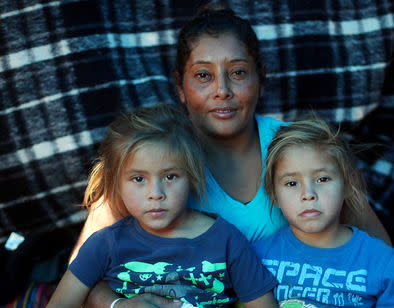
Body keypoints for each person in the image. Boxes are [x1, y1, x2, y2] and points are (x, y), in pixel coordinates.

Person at [72, 6, 392, 308]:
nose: (222, 90)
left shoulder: (301, 149)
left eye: (238, 72)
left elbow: (382, 254)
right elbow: (80, 275)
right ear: (180, 87)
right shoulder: (154, 157)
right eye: (203, 75)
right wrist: (116, 304)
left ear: (261, 79)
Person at [48, 104, 278, 308]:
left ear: (192, 176)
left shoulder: (227, 241)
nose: (155, 194)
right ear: (116, 183)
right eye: (138, 179)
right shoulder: (104, 245)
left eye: (170, 177)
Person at [252, 117, 394, 307]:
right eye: (292, 183)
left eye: (323, 179)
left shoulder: (378, 259)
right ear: (273, 195)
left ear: (348, 186)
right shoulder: (257, 257)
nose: (308, 194)